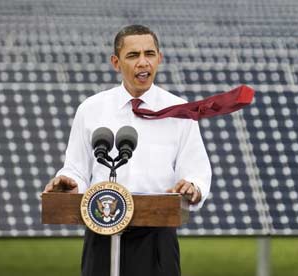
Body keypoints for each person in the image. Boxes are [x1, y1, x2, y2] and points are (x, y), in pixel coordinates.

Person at [43, 24, 212, 276]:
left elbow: (197, 171)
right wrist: (69, 183)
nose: (143, 63)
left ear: (159, 58)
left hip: (157, 237)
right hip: (101, 229)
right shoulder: (91, 109)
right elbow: (76, 168)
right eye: (133, 56)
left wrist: (192, 187)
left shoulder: (180, 110)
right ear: (116, 62)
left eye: (149, 54)